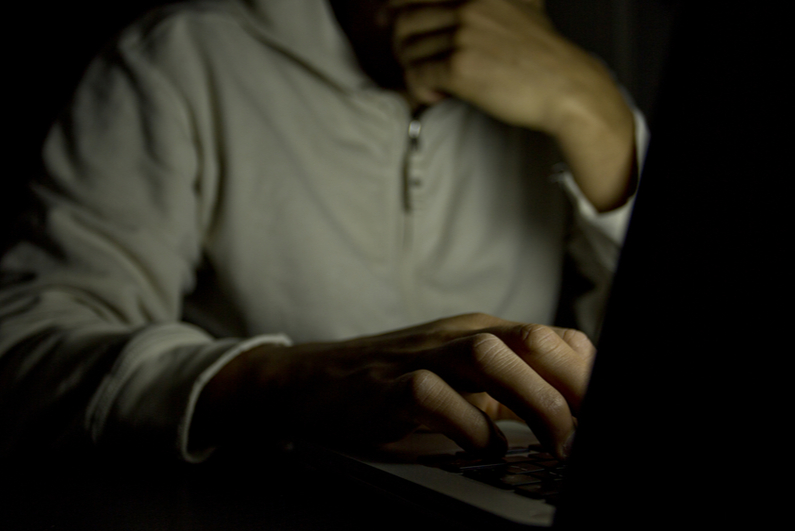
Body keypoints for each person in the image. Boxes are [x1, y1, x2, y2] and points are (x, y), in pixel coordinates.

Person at [0, 0, 646, 462]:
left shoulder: (570, 89)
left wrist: (600, 118)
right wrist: (280, 380)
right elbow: (24, 352)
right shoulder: (181, 59)